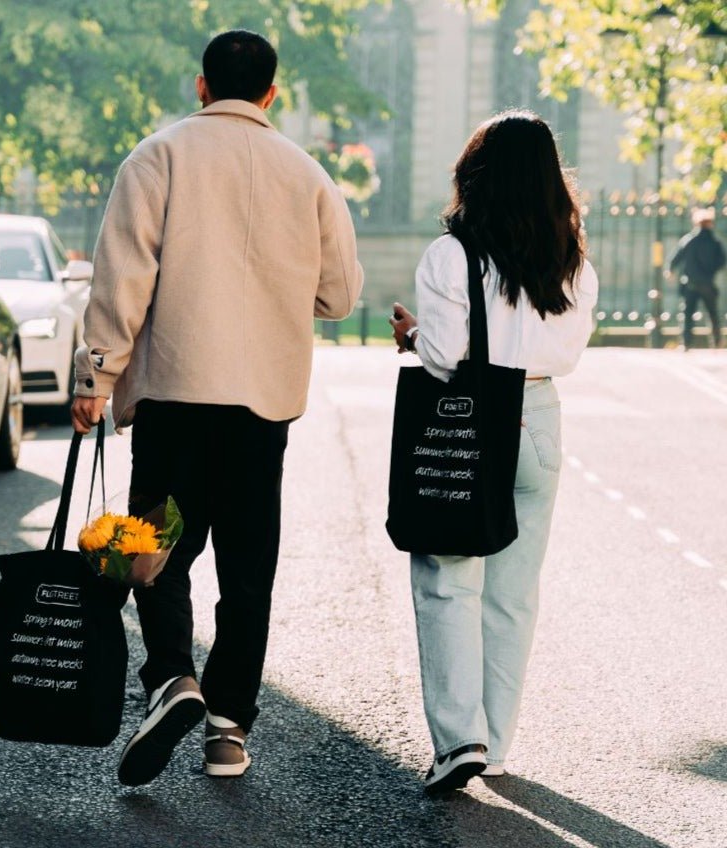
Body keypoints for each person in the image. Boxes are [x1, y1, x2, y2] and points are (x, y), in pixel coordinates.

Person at [71, 30, 363, 786]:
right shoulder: (307, 175)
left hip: (173, 399)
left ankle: (173, 677)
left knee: (155, 549)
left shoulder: (157, 157)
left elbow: (121, 276)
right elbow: (339, 294)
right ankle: (228, 728)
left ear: (201, 86)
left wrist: (95, 376)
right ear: (272, 94)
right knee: (247, 565)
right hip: (260, 410)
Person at [390, 110, 598, 796]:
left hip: (472, 421)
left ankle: (460, 740)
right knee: (512, 593)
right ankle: (497, 743)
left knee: (449, 577)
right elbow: (565, 352)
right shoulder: (572, 259)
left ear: (474, 174)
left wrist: (414, 334)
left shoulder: (452, 255)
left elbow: (445, 357)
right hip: (538, 418)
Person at [668, 207, 726, 349]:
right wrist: (711, 270)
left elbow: (676, 257)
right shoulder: (715, 242)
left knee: (688, 314)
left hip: (691, 283)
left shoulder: (689, 240)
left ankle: (686, 342)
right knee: (712, 314)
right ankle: (717, 341)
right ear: (710, 223)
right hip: (708, 283)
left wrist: (670, 270)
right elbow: (722, 261)